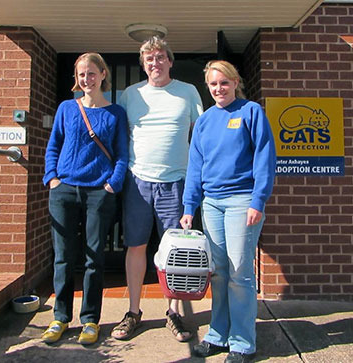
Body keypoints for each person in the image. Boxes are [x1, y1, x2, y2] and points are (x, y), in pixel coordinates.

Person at [180, 60, 276, 363]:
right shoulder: (206, 121)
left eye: (224, 82)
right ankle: (218, 335)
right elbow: (195, 166)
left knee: (239, 274)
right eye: (213, 85)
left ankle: (243, 343)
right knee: (219, 273)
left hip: (241, 202)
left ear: (235, 83)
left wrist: (257, 201)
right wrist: (188, 206)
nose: (218, 89)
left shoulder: (251, 113)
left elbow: (265, 159)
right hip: (212, 204)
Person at [111, 36, 203, 342]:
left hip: (176, 182)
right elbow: (117, 136)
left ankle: (173, 312)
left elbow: (202, 136)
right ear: (143, 64)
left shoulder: (188, 92)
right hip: (137, 182)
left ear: (170, 61)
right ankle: (133, 312)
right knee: (135, 246)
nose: (155, 63)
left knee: (175, 252)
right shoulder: (130, 94)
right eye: (149, 59)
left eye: (161, 57)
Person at [42, 52, 128, 345]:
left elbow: (121, 155)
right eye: (81, 75)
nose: (86, 79)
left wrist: (112, 185)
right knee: (63, 257)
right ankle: (60, 317)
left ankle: (90, 320)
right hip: (64, 189)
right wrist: (51, 179)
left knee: (94, 258)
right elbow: (53, 144)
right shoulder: (67, 108)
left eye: (91, 73)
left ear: (103, 74)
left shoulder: (115, 113)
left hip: (98, 193)